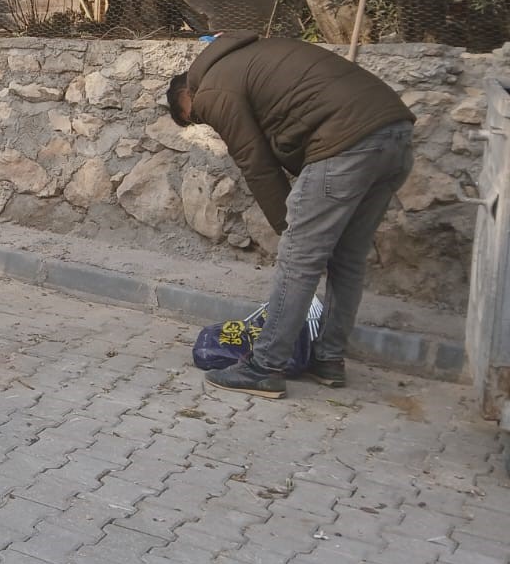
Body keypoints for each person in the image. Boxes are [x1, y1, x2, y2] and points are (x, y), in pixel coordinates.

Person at [168, 32, 415, 398]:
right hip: (395, 136)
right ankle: (328, 359)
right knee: (347, 258)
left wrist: (290, 227)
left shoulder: (212, 90)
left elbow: (256, 163)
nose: (203, 119)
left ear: (187, 94)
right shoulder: (252, 54)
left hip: (345, 143)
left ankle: (264, 366)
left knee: (299, 259)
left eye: (195, 117)